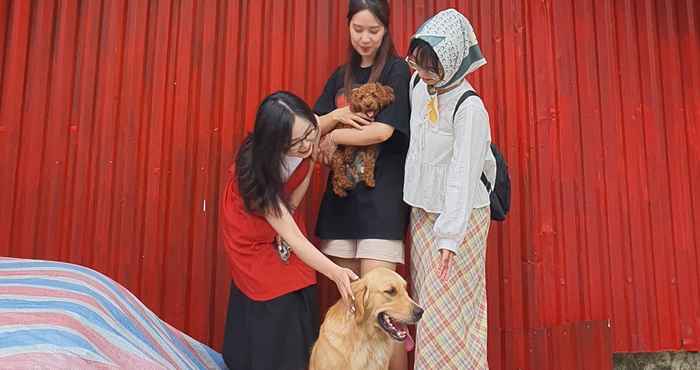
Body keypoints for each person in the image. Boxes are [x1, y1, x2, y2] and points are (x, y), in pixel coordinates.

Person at [220, 91, 358, 370]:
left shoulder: (305, 130)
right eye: (297, 143)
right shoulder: (255, 174)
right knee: (271, 289)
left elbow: (317, 130)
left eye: (309, 134)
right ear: (276, 143)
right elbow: (293, 236)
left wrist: (339, 117)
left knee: (301, 280)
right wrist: (336, 272)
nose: (307, 144)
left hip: (283, 214)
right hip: (249, 233)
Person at [312, 1, 412, 368]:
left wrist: (335, 138)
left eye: (374, 30)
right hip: (341, 206)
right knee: (350, 309)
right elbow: (312, 126)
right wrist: (334, 119)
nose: (365, 38)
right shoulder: (340, 77)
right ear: (347, 27)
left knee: (389, 314)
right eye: (358, 30)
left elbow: (384, 130)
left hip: (381, 204)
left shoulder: (398, 72)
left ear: (386, 29)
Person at [403, 9, 497, 370]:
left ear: (455, 61)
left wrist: (449, 239)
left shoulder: (469, 108)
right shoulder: (418, 86)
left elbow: (462, 175)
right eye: (420, 65)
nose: (424, 75)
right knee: (429, 309)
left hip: (463, 223)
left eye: (432, 68)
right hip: (424, 214)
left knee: (451, 318)